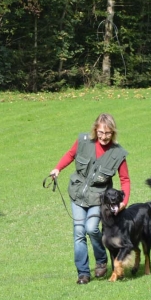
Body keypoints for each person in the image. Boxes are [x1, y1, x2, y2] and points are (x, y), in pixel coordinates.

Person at [50, 113, 131, 284]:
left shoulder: (118, 153)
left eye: (108, 133)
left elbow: (125, 179)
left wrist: (124, 202)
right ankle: (83, 273)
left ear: (113, 133)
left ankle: (101, 259)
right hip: (77, 194)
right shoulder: (83, 141)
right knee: (79, 232)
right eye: (101, 132)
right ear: (95, 130)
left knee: (92, 228)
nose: (103, 137)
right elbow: (70, 155)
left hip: (99, 198)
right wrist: (57, 169)